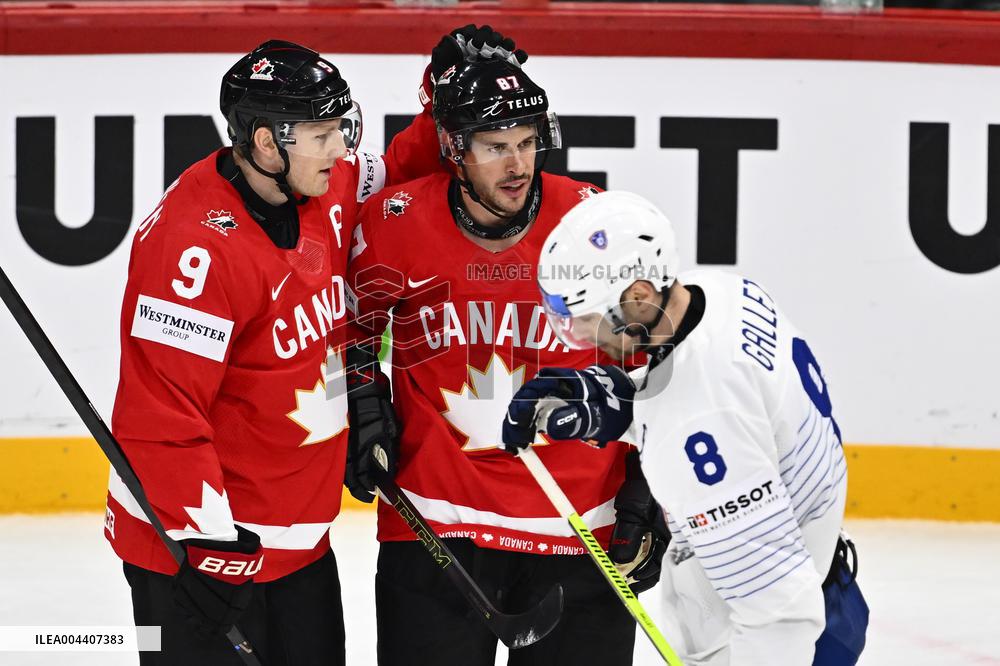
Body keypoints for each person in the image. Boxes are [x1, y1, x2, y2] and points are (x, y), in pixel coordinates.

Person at [106, 31, 521, 665]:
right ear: (268, 142)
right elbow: (161, 417)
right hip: (195, 551)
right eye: (322, 133)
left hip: (299, 544)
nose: (342, 148)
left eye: (339, 128)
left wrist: (447, 99)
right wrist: (209, 545)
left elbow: (404, 177)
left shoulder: (325, 185)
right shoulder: (192, 250)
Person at [345, 57, 668, 666]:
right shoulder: (394, 223)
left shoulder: (592, 224)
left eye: (526, 143)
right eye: (496, 147)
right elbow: (349, 328)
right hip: (437, 526)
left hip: (579, 531)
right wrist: (363, 400)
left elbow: (652, 365)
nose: (518, 165)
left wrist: (646, 485)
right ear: (453, 148)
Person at [501, 190, 870, 665]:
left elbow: (781, 614)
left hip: (766, 644)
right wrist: (625, 401)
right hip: (825, 588)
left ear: (637, 297)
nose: (581, 338)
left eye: (587, 320)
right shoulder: (717, 292)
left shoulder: (696, 429)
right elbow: (728, 402)